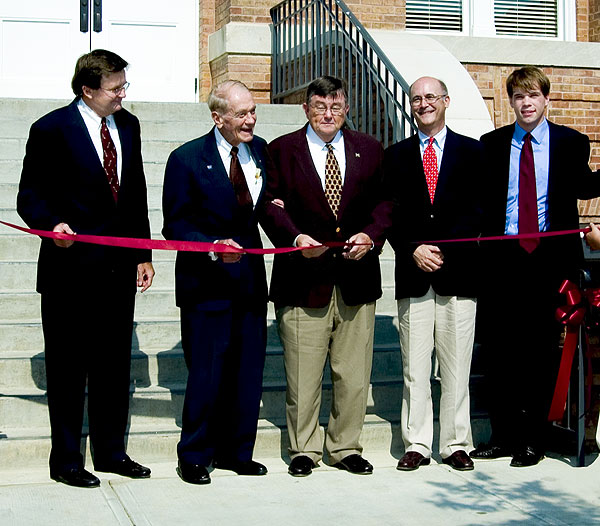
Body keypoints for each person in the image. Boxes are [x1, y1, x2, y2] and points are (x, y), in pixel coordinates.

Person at [17, 49, 154, 488]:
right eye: (115, 89)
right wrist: (49, 224)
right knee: (69, 370)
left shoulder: (127, 125)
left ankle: (112, 453)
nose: (122, 95)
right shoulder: (51, 129)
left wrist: (143, 252)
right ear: (87, 90)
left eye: (124, 86)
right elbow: (30, 196)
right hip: (69, 272)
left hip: (117, 272)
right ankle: (67, 460)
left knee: (114, 367)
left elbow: (135, 194)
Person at [261, 76, 391, 477]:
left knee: (353, 374)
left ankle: (345, 446)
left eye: (336, 106)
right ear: (306, 109)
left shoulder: (368, 149)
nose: (328, 114)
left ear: (347, 108)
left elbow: (386, 203)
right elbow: (268, 204)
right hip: (302, 279)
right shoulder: (282, 150)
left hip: (356, 278)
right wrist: (294, 235)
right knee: (303, 374)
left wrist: (371, 236)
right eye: (320, 106)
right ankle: (304, 449)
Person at [472, 66, 600, 467]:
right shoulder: (491, 144)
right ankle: (503, 435)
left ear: (546, 99)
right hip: (502, 259)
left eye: (533, 96)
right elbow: (479, 201)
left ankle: (533, 440)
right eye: (518, 96)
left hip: (548, 261)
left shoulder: (571, 142)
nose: (525, 103)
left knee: (539, 353)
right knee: (498, 351)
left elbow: (584, 188)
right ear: (510, 102)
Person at [162, 80, 269, 485]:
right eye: (241, 114)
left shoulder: (260, 152)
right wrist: (210, 245)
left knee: (247, 373)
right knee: (206, 374)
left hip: (249, 284)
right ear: (217, 117)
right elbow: (175, 225)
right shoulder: (186, 158)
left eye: (253, 111)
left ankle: (236, 452)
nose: (250, 120)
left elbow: (266, 207)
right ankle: (194, 455)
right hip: (205, 285)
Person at [384, 77, 482, 472]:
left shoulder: (474, 153)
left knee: (457, 366)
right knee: (415, 367)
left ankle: (455, 442)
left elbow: (481, 212)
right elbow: (389, 213)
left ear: (446, 101)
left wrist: (445, 250)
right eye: (416, 99)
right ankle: (418, 443)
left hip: (458, 275)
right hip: (414, 273)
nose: (423, 104)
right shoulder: (394, 156)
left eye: (430, 97)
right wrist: (412, 249)